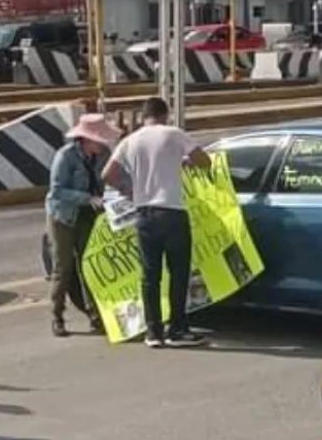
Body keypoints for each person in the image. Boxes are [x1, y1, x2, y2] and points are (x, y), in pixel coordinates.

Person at [102, 97, 211, 349]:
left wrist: (130, 191)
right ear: (166, 114)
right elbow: (204, 161)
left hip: (144, 215)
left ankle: (153, 332)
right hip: (172, 212)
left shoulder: (130, 141)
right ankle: (177, 328)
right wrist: (183, 162)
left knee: (150, 276)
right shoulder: (173, 134)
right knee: (179, 273)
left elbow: (108, 174)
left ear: (143, 116)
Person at [45, 113, 120, 337]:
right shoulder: (65, 157)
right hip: (64, 216)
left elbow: (112, 178)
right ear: (87, 140)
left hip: (89, 216)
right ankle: (57, 316)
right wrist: (87, 198)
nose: (104, 143)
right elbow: (57, 191)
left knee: (90, 265)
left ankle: (96, 316)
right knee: (63, 267)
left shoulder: (103, 155)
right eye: (100, 139)